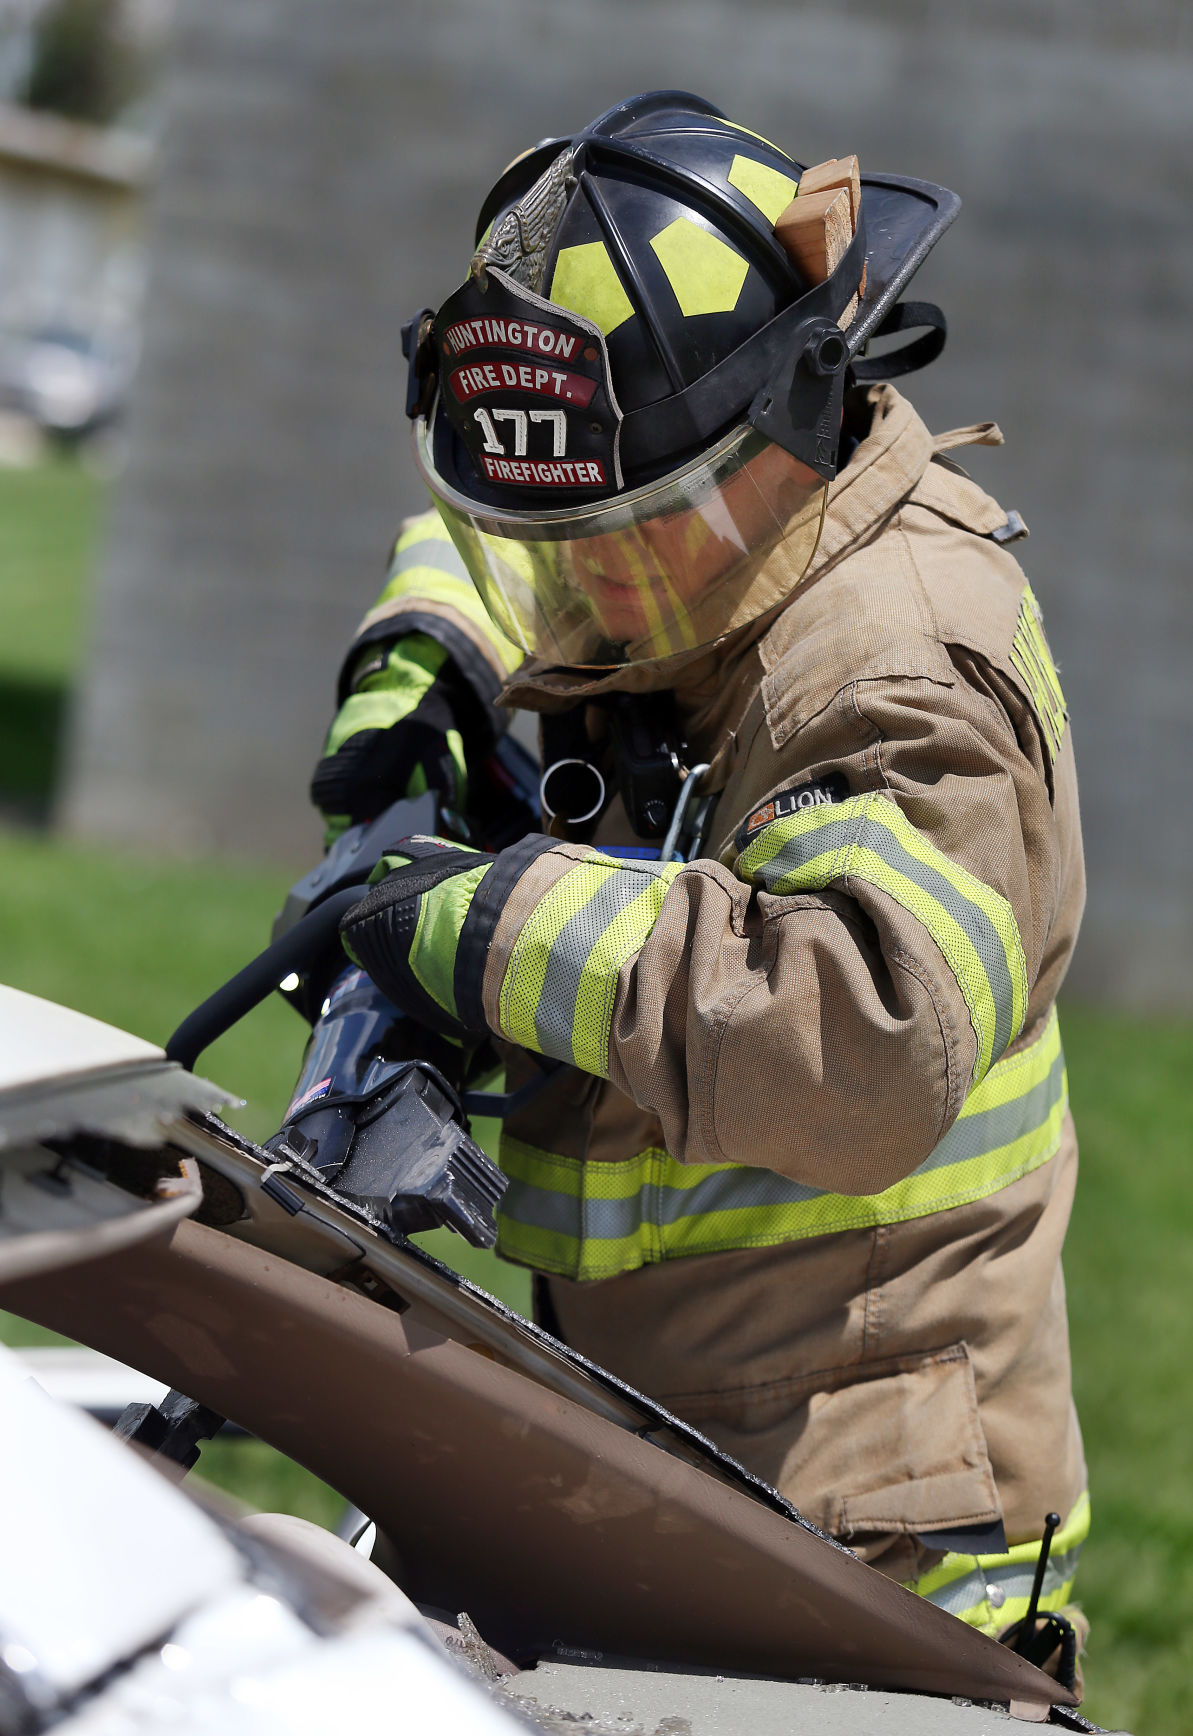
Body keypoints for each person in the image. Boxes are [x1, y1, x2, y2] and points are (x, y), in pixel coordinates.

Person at [314, 92, 1088, 1653]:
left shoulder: (893, 666)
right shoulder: (700, 546)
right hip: (651, 1426)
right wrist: (426, 653)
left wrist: (479, 923)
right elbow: (549, 519)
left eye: (626, 535)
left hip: (863, 1540)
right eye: (552, 543)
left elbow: (861, 1039)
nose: (584, 587)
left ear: (790, 421)